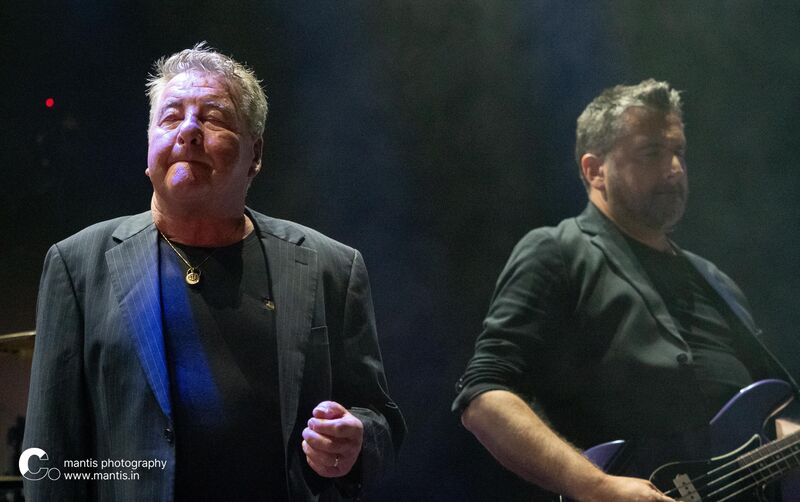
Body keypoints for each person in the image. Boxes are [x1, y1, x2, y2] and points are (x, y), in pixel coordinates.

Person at [22, 43, 405, 501]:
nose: (188, 130)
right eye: (170, 117)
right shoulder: (76, 265)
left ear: (255, 153)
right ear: (149, 146)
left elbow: (380, 420)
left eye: (213, 117)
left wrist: (355, 438)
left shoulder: (332, 267)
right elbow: (50, 455)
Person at [454, 79, 797, 501]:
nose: (674, 167)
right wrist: (598, 487)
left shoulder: (716, 283)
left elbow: (769, 425)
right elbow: (484, 398)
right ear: (594, 170)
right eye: (652, 152)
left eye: (678, 151)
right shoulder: (558, 252)